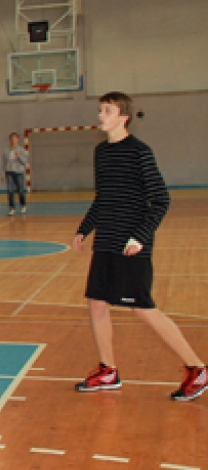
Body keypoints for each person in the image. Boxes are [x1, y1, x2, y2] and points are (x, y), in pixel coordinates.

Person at [73, 92, 206, 401]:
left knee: (142, 308)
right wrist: (85, 228)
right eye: (100, 110)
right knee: (96, 302)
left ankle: (198, 368)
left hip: (131, 244)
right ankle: (108, 370)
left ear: (124, 117)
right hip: (106, 241)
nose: (101, 115)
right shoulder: (101, 152)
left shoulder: (139, 152)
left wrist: (140, 237)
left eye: (107, 111)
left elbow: (161, 200)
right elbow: (103, 197)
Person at [2, 132, 28, 215]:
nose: (13, 140)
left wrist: (19, 156)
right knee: (10, 190)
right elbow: (4, 163)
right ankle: (12, 208)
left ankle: (23, 205)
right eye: (12, 139)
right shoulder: (6, 151)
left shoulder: (22, 150)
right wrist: (2, 174)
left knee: (20, 190)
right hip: (9, 172)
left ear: (18, 139)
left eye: (15, 138)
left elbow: (25, 161)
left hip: (19, 172)